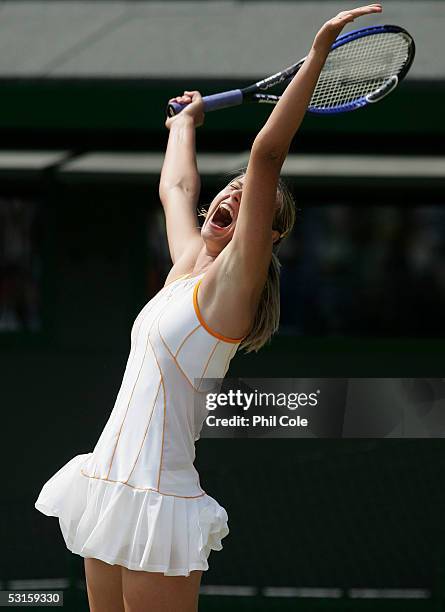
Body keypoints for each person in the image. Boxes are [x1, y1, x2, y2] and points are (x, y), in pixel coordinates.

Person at [34, 5, 382, 611]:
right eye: (232, 188)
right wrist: (184, 127)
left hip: (160, 500)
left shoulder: (233, 287)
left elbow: (267, 155)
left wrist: (319, 57)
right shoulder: (185, 266)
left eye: (251, 201)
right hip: (107, 483)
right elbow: (176, 187)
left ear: (266, 236)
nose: (236, 191)